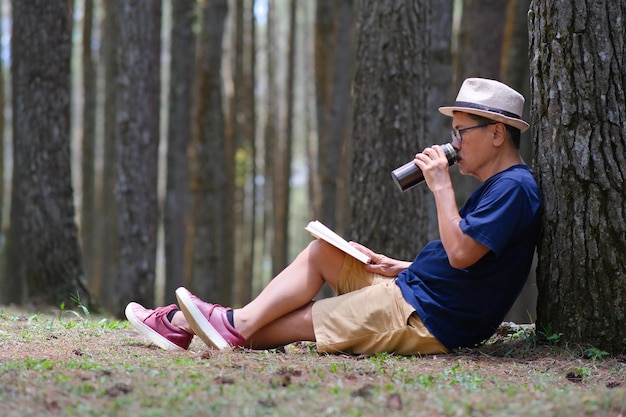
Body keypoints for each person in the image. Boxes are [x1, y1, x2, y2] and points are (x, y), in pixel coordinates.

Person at [125, 78, 541, 355]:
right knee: (325, 252)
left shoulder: (514, 188)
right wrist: (404, 266)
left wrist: (441, 187)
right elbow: (478, 262)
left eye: (460, 132)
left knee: (292, 324)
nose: (452, 143)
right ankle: (219, 323)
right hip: (418, 291)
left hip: (428, 317)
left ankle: (184, 322)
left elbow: (463, 255)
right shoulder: (502, 187)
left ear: (497, 133)